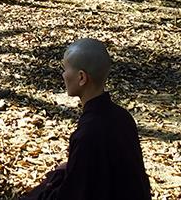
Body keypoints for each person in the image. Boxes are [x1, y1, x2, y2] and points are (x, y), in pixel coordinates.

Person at [23, 38, 151, 199]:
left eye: (65, 69)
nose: (63, 75)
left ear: (81, 77)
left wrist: (53, 179)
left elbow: (73, 194)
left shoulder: (87, 134)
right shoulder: (123, 117)